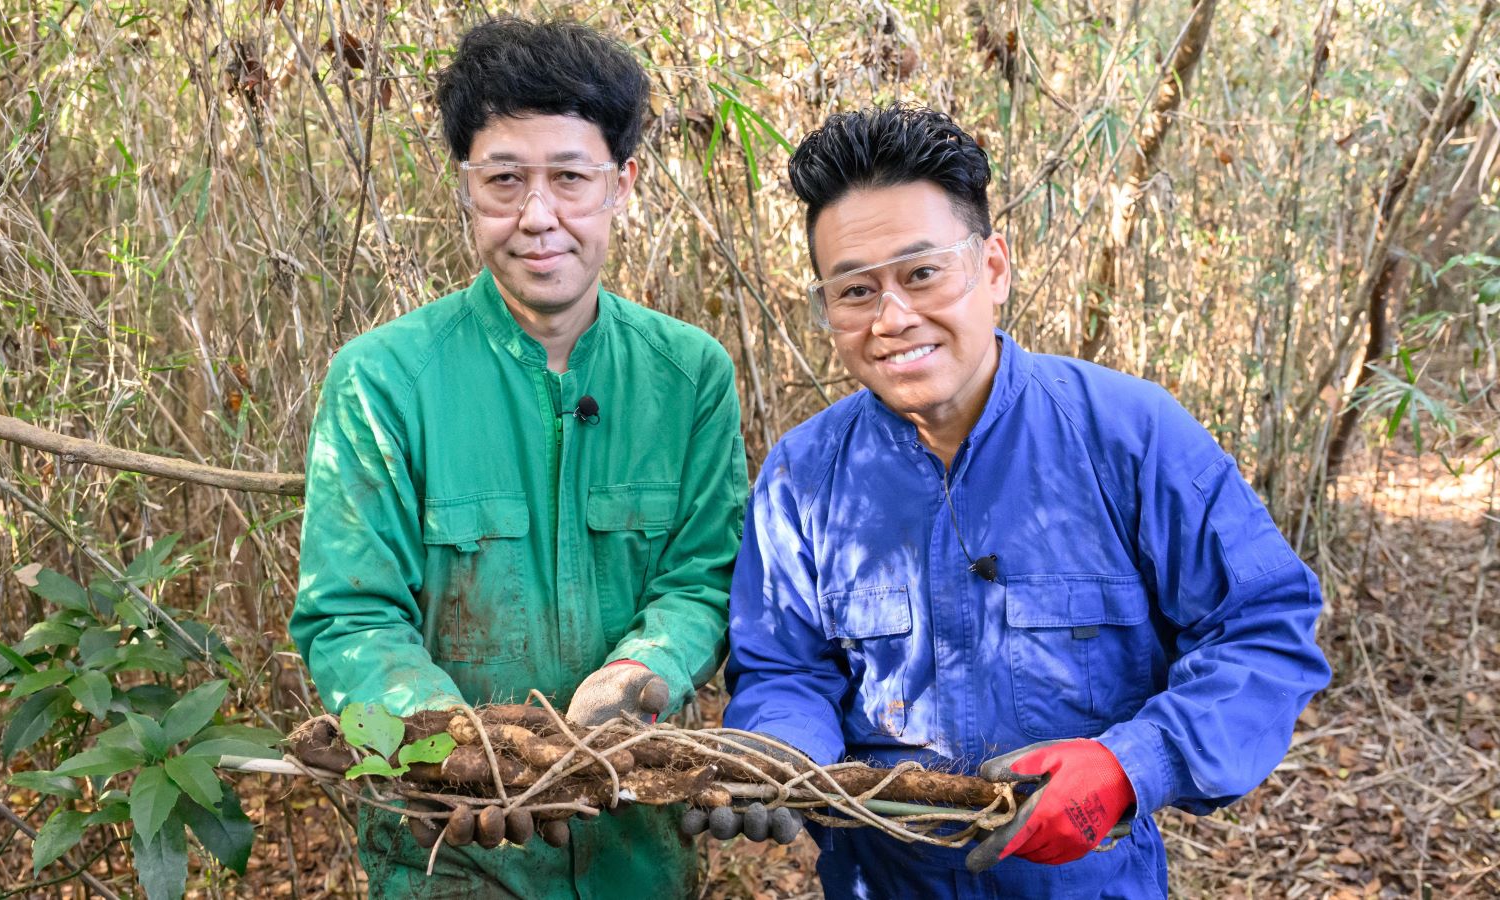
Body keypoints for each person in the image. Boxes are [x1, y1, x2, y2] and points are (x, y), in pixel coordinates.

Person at [717, 105, 1332, 897]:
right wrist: (779, 755)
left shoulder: (1130, 436)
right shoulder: (803, 475)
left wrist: (1130, 765)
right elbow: (784, 668)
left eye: (922, 273)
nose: (893, 317)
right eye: (856, 290)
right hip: (883, 880)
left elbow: (1265, 628)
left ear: (994, 268)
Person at [291, 18, 747, 899]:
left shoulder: (688, 376)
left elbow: (701, 580)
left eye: (571, 178)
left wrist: (635, 676)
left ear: (622, 185)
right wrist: (450, 749)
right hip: (443, 855)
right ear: (466, 189)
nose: (538, 216)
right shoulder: (383, 382)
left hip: (635, 852)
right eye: (505, 181)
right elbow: (348, 619)